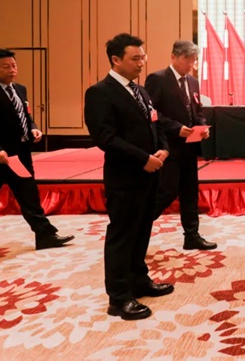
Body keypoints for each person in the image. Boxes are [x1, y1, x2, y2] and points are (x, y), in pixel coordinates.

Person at [84, 33, 171, 320]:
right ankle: (119, 297)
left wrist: (163, 149)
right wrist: (142, 159)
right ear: (116, 60)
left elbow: (156, 124)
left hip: (150, 174)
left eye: (143, 57)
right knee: (122, 236)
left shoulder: (140, 91)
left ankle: (139, 280)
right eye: (135, 58)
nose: (141, 63)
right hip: (125, 177)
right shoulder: (100, 92)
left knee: (142, 229)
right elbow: (105, 137)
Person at [0, 49, 74, 259]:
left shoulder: (19, 89)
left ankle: (45, 235)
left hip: (20, 155)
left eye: (14, 66)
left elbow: (24, 115)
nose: (12, 70)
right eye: (6, 67)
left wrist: (33, 128)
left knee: (29, 196)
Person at [144, 41, 217, 251]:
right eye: (187, 60)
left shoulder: (193, 81)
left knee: (190, 192)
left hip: (189, 146)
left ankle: (192, 236)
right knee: (166, 192)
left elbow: (197, 111)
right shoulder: (158, 79)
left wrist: (202, 127)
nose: (190, 65)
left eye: (194, 60)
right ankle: (138, 224)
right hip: (168, 146)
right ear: (173, 57)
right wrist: (175, 128)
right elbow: (151, 112)